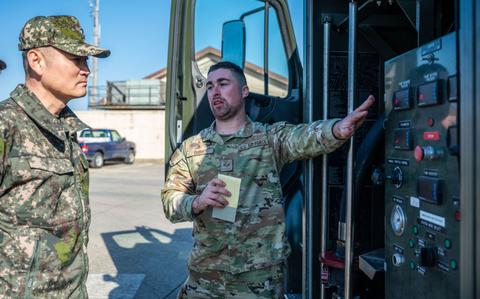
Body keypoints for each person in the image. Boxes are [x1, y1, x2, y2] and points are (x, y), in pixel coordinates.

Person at [161, 61, 375, 298]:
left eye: (223, 83)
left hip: (259, 281)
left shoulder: (269, 137)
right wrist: (197, 202)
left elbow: (304, 136)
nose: (216, 92)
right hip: (205, 278)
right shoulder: (192, 148)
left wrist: (337, 129)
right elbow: (170, 201)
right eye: (210, 86)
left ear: (244, 91)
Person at [0, 15, 110, 298]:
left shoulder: (65, 130)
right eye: (76, 59)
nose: (86, 70)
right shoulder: (6, 125)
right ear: (36, 61)